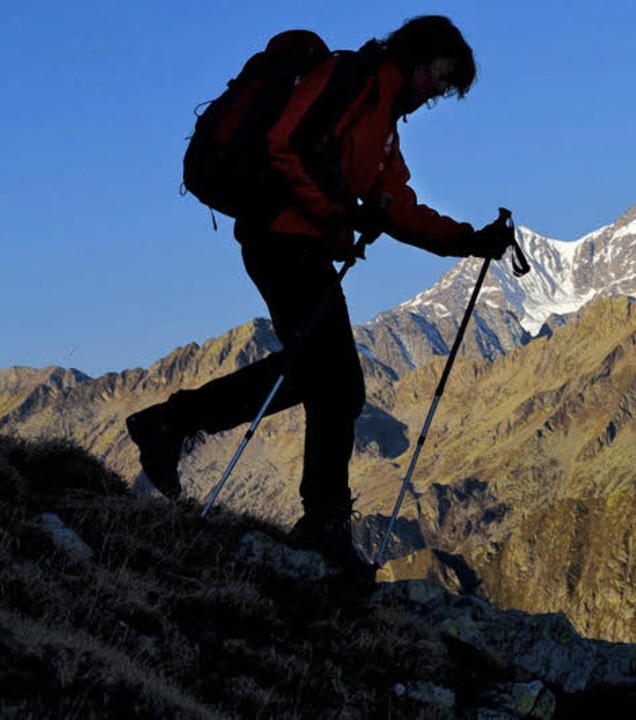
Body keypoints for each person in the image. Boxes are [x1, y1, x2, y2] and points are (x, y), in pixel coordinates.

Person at [125, 15, 507, 579]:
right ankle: (313, 518)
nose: (435, 92)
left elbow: (396, 205)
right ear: (415, 57)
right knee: (333, 379)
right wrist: (340, 212)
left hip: (303, 244)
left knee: (325, 378)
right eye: (438, 76)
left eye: (445, 85)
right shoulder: (347, 79)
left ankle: (183, 431)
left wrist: (470, 241)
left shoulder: (383, 123)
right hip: (279, 237)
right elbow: (284, 145)